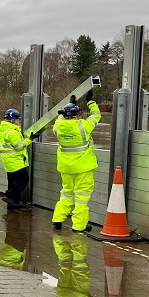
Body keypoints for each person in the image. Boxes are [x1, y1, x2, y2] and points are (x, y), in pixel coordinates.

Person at [52, 94, 102, 231]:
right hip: (83, 168)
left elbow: (59, 119)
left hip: (66, 168)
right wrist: (91, 102)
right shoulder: (84, 126)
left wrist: (68, 106)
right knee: (81, 197)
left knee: (66, 193)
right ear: (77, 115)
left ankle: (58, 218)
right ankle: (79, 226)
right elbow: (96, 115)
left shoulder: (58, 127)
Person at [0, 108, 32, 209]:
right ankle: (9, 195)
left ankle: (13, 203)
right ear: (13, 120)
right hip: (15, 160)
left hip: (8, 160)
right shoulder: (12, 132)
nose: (19, 121)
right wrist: (29, 139)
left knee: (12, 181)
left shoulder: (4, 130)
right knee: (24, 179)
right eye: (18, 119)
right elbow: (19, 146)